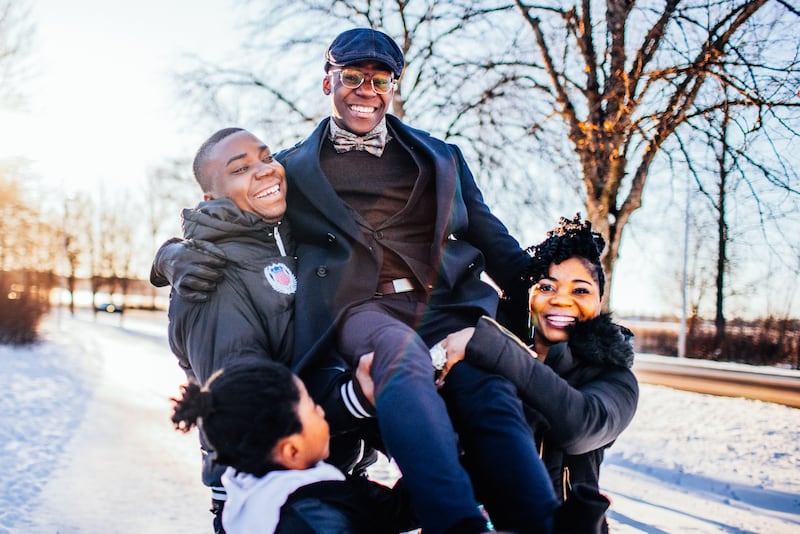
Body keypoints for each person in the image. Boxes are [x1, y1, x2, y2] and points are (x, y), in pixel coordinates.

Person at [154, 29, 558, 533]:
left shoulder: (443, 157)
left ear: (394, 86)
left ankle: (547, 523)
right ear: (328, 82)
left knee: (491, 394)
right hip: (360, 310)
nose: (367, 88)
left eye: (381, 77)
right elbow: (234, 222)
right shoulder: (292, 170)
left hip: (447, 309)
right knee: (398, 356)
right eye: (352, 76)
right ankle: (457, 524)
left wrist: (565, 300)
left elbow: (500, 247)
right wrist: (172, 257)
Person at [167, 127, 376, 531]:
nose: (264, 171)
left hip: (322, 474)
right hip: (274, 497)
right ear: (211, 197)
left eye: (266, 157)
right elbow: (254, 415)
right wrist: (354, 399)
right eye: (241, 168)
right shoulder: (211, 277)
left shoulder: (289, 239)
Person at [438, 214, 640, 533]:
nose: (561, 299)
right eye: (546, 286)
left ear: (600, 302)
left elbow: (579, 426)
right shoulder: (477, 362)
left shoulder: (615, 379)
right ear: (528, 297)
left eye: (581, 290)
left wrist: (491, 345)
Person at [171, 359, 417, 534]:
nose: (322, 411)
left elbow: (395, 510)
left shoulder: (246, 499)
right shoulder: (317, 515)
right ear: (292, 450)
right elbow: (397, 512)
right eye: (312, 408)